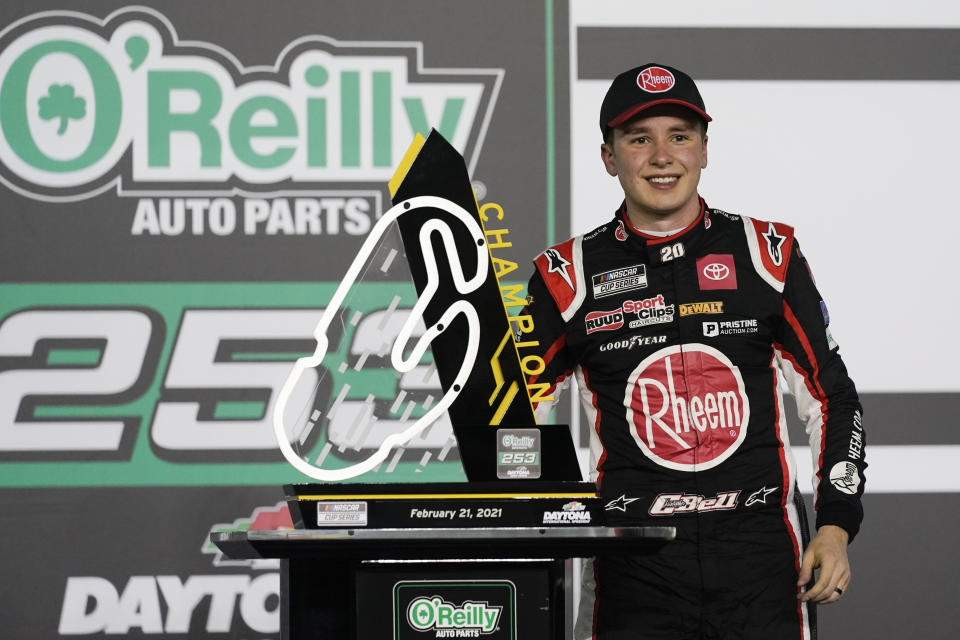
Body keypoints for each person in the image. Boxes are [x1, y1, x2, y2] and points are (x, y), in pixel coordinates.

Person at [523, 63, 866, 639]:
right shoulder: (565, 275)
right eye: (640, 139)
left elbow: (833, 398)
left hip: (761, 556)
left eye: (679, 136)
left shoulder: (769, 252)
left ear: (704, 149)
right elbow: (513, 417)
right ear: (608, 156)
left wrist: (835, 526)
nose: (663, 156)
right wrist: (536, 524)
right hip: (631, 564)